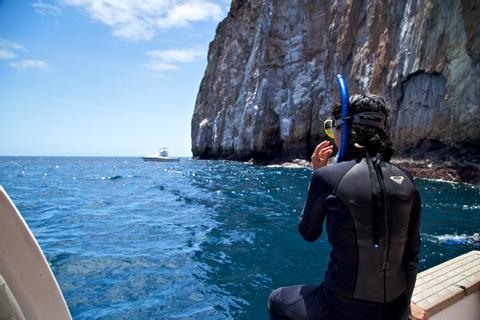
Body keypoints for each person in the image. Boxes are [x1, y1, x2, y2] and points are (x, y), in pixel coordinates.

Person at [268, 94, 428, 320]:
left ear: (345, 129)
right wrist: (404, 310)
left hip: (341, 309)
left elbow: (309, 233)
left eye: (333, 128)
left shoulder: (327, 177)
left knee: (276, 299)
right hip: (396, 308)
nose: (333, 136)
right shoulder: (407, 180)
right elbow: (412, 256)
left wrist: (318, 175)